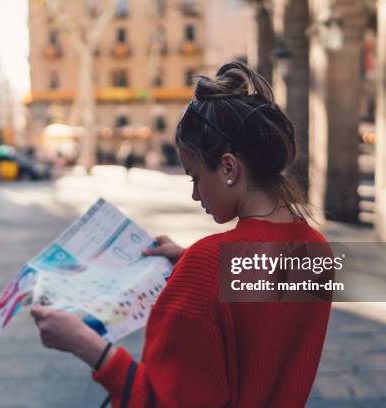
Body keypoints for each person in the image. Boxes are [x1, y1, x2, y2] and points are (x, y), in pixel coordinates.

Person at [31, 61, 332, 407]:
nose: (194, 194)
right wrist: (190, 260)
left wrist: (86, 345)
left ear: (229, 167)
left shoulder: (207, 266)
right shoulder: (318, 250)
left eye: (194, 176)